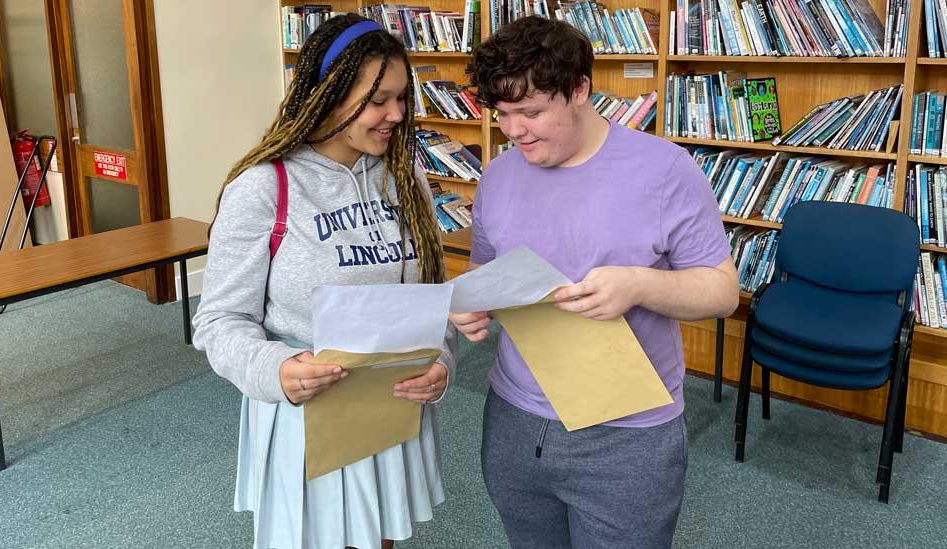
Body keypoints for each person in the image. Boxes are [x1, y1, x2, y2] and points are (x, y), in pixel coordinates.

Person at [451, 16, 739, 549]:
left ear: (580, 89)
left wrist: (639, 285)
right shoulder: (498, 175)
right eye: (503, 113)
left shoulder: (665, 171)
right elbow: (485, 273)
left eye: (533, 111)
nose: (515, 131)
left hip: (626, 431)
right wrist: (473, 306)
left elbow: (722, 292)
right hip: (515, 418)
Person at [193, 14, 456, 549]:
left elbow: (432, 298)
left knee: (379, 535)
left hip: (391, 400)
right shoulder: (264, 187)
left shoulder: (406, 179)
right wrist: (277, 368)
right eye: (378, 99)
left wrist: (443, 363)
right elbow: (219, 322)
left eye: (403, 98)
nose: (396, 115)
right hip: (308, 411)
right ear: (326, 93)